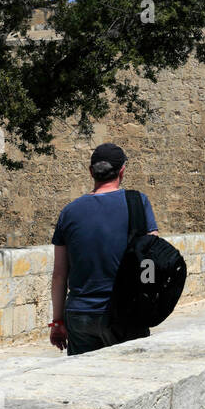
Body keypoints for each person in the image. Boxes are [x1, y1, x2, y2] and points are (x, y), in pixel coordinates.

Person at [49, 143, 159, 355]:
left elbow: (59, 275)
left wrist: (57, 322)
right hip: (125, 312)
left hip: (80, 315)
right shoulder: (138, 202)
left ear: (91, 172)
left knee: (84, 381)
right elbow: (151, 258)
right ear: (122, 171)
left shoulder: (69, 212)